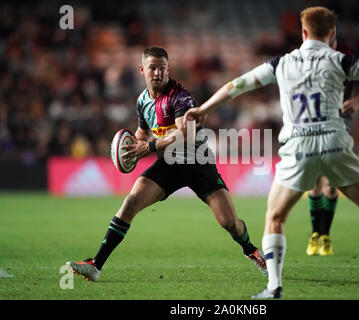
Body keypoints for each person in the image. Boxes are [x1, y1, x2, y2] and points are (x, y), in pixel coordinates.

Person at [183, 7, 359, 299]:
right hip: (335, 142)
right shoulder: (341, 60)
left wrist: (204, 109)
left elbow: (236, 85)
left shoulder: (281, 63)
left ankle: (274, 286)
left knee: (275, 218)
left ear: (303, 32)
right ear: (332, 35)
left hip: (298, 148)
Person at [66, 46, 267, 282]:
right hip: (169, 165)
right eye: (152, 68)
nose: (158, 73)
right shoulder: (143, 100)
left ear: (168, 69)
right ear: (142, 70)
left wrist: (149, 148)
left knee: (229, 223)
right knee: (130, 203)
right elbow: (142, 133)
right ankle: (96, 265)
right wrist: (134, 150)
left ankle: (252, 251)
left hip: (197, 164)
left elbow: (185, 134)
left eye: (162, 68)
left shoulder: (180, 97)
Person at [307, 79, 359, 256]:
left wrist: (357, 100)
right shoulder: (308, 64)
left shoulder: (344, 62)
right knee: (315, 182)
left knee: (331, 185)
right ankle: (315, 234)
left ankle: (325, 235)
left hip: (338, 128)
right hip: (311, 126)